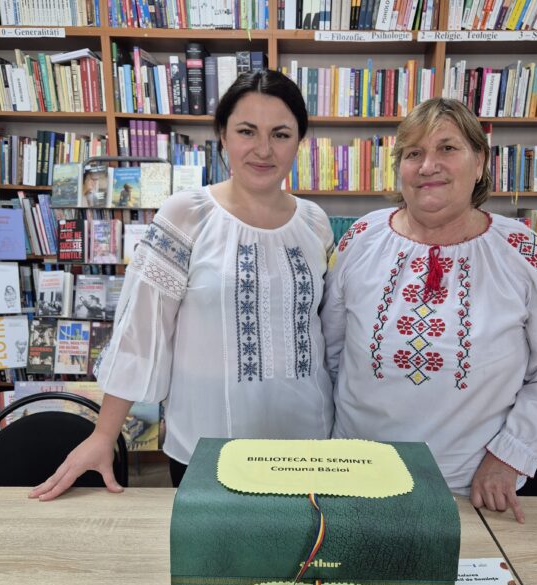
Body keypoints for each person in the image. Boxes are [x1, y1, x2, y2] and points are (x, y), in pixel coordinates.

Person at [30, 69, 334, 501]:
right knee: (214, 567)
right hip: (208, 446)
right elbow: (141, 330)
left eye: (281, 134)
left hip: (309, 444)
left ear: (299, 142)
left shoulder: (315, 222)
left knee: (303, 565)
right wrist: (104, 435)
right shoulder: (186, 215)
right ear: (223, 136)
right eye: (247, 131)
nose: (263, 149)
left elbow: (321, 330)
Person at [321, 98, 537, 524]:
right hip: (355, 480)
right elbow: (331, 352)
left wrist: (509, 456)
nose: (428, 165)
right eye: (413, 153)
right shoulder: (360, 238)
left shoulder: (526, 255)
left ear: (480, 161)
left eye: (447, 149)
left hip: (468, 491)